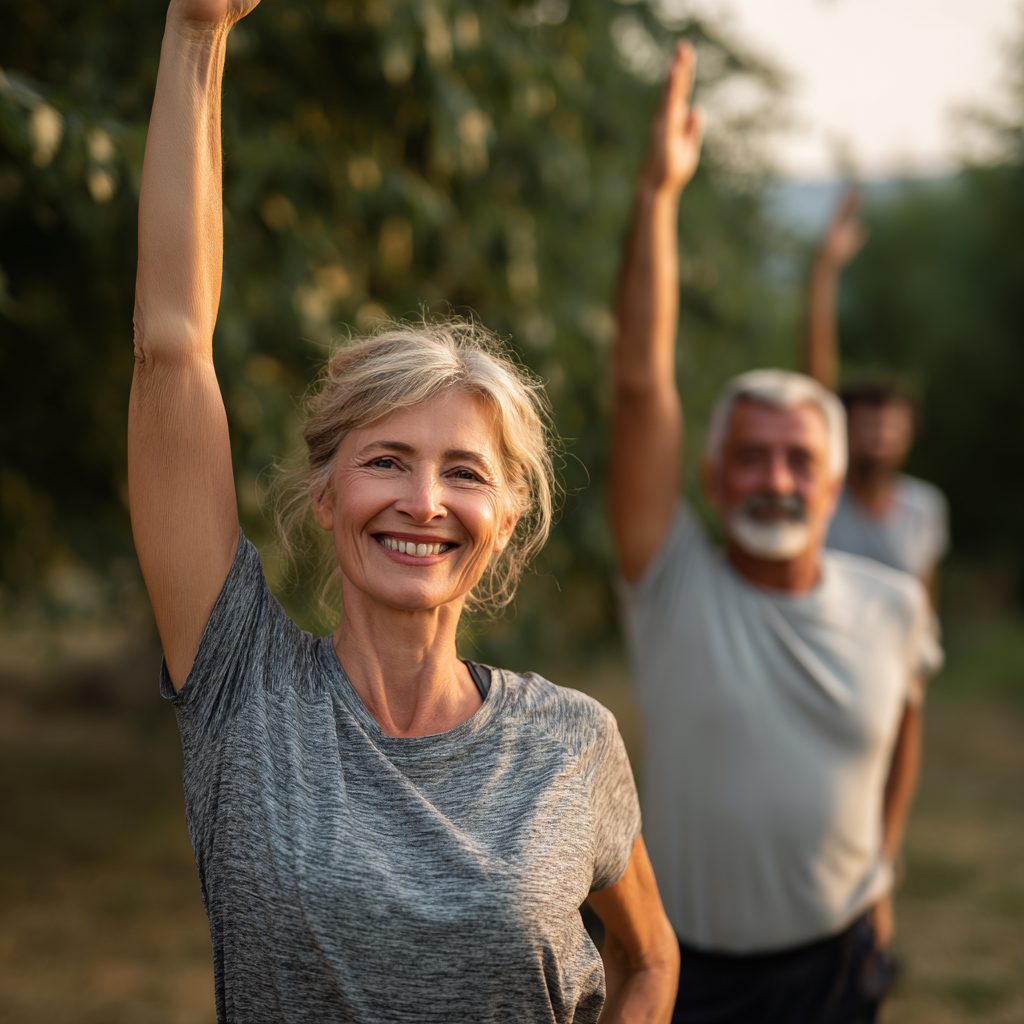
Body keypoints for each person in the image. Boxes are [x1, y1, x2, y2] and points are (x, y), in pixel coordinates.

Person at [128, 2, 680, 1021]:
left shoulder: (572, 742)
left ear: (508, 513)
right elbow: (173, 344)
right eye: (386, 460)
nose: (424, 500)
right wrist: (196, 35)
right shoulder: (240, 686)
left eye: (465, 472)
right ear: (329, 493)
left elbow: (648, 960)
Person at [610, 43, 942, 1023]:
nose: (775, 476)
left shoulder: (892, 604)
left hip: (836, 964)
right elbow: (638, 385)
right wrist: (657, 198)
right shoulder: (670, 584)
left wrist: (882, 866)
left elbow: (907, 721)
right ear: (710, 478)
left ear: (834, 482)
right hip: (681, 967)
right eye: (750, 455)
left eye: (801, 458)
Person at [804, 192, 949, 595]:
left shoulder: (926, 508)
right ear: (842, 430)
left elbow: (923, 606)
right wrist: (824, 271)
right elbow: (817, 383)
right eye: (867, 427)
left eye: (891, 429)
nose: (880, 438)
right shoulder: (822, 500)